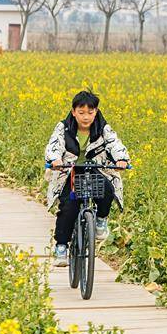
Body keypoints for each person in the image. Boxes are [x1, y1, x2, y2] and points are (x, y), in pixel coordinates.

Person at [43, 90, 130, 267]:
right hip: (69, 171)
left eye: (90, 112)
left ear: (96, 112)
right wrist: (55, 159)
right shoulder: (64, 127)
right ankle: (61, 246)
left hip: (96, 169)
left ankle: (100, 220)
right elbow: (54, 144)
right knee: (69, 206)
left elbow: (114, 143)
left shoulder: (102, 128)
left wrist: (121, 159)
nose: (86, 117)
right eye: (81, 112)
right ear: (73, 112)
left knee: (106, 189)